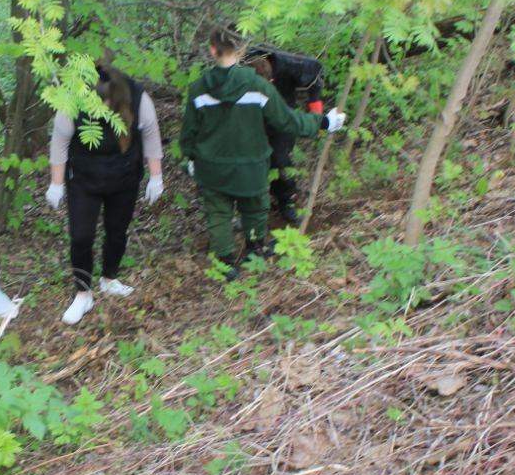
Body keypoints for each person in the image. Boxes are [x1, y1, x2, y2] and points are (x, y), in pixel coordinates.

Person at [181, 27, 345, 278]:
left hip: (212, 166)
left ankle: (226, 264)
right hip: (251, 165)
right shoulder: (258, 86)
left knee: (219, 213)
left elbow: (189, 132)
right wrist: (323, 122)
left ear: (212, 50)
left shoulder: (198, 88)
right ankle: (255, 249)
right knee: (255, 207)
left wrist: (190, 156)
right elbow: (287, 121)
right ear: (242, 50)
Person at [47, 62, 165, 325]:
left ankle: (109, 278)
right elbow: (60, 142)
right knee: (81, 236)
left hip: (124, 175)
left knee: (117, 230)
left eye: (107, 100)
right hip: (84, 178)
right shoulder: (72, 99)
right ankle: (83, 293)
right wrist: (56, 183)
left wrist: (156, 176)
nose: (102, 106)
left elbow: (151, 134)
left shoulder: (137, 97)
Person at [247, 47, 328, 225]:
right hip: (250, 120)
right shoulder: (239, 68)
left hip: (283, 118)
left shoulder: (292, 65)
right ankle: (250, 210)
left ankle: (285, 202)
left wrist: (317, 119)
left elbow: (315, 76)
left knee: (280, 160)